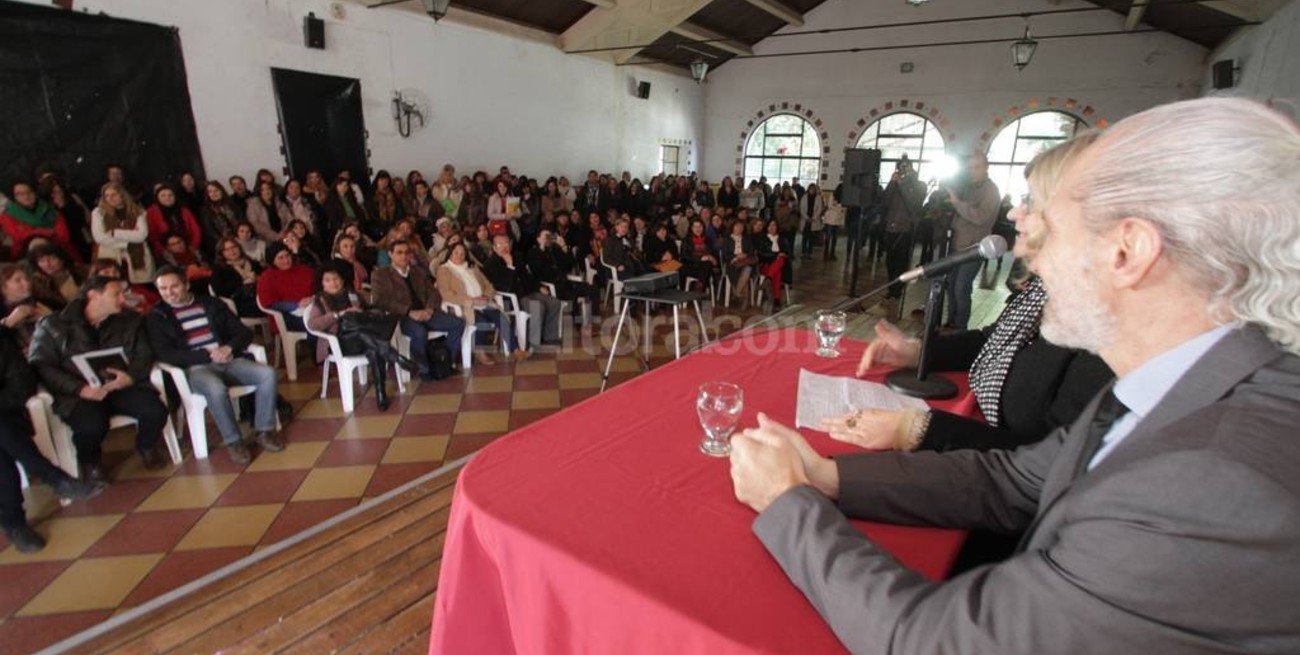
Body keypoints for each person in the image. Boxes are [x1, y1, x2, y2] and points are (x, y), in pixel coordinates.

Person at [727, 97, 1300, 654]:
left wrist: (786, 502)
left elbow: (941, 641)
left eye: (1054, 227)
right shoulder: (1169, 384)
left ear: (1128, 252)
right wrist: (827, 478)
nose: (1031, 248)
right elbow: (1014, 482)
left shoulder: (1212, 482)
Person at [28, 276, 170, 482]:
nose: (123, 298)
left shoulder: (129, 320)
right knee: (91, 425)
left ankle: (146, 445)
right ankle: (90, 462)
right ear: (93, 295)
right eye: (116, 294)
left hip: (121, 386)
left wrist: (130, 377)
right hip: (78, 393)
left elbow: (144, 354)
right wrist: (79, 388)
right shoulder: (53, 325)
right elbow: (41, 365)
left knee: (155, 410)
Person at [146, 267, 283, 465]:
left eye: (174, 286)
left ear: (186, 284)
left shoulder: (211, 304)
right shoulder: (158, 316)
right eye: (163, 289)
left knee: (268, 374)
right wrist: (204, 355)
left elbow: (243, 333)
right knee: (216, 389)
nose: (169, 293)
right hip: (196, 367)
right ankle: (234, 441)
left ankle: (264, 431)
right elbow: (165, 353)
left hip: (228, 360)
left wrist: (228, 348)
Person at [0, 328, 103, 552]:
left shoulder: (3, 343)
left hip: (7, 416)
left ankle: (16, 526)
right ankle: (53, 478)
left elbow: (22, 383)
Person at [307, 269, 420, 410]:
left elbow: (371, 310)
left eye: (336, 279)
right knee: (366, 337)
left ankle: (381, 394)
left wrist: (361, 313)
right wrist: (338, 315)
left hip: (364, 340)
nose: (333, 283)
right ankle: (396, 358)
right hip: (340, 342)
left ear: (342, 281)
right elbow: (312, 324)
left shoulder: (353, 295)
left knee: (373, 349)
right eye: (328, 280)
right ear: (323, 284)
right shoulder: (320, 300)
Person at [370, 239, 466, 379]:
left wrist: (429, 309)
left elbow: (433, 293)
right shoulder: (381, 275)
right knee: (419, 332)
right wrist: (409, 312)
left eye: (406, 252)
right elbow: (381, 301)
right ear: (390, 254)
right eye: (399, 253)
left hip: (426, 313)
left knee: (458, 323)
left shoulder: (417, 272)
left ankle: (445, 363)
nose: (403, 256)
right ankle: (424, 370)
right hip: (402, 316)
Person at [436, 242, 526, 365]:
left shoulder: (472, 267)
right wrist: (472, 300)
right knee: (482, 322)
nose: (459, 256)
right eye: (456, 253)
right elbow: (447, 294)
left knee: (501, 317)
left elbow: (488, 285)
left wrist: (486, 296)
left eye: (463, 253)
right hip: (464, 306)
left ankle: (515, 350)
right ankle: (480, 353)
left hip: (483, 302)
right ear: (450, 254)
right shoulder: (444, 270)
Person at [941, 152, 1000, 329]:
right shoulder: (967, 187)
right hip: (956, 244)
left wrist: (957, 202)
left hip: (975, 247)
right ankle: (951, 323)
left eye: (977, 167)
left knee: (961, 289)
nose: (972, 171)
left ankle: (960, 329)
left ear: (986, 167)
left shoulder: (991, 190)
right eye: (970, 167)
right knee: (951, 287)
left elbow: (981, 217)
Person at [483, 235, 561, 347]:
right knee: (537, 307)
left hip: (527, 291)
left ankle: (549, 336)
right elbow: (505, 287)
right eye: (500, 245)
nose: (504, 247)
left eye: (506, 244)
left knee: (554, 303)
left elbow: (527, 276)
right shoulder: (491, 264)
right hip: (511, 298)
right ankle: (533, 341)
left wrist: (538, 286)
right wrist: (509, 266)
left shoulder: (517, 257)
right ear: (494, 248)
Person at [880, 160, 928, 303]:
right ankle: (892, 288)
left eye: (906, 167)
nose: (903, 170)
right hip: (890, 227)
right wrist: (891, 182)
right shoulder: (895, 183)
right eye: (901, 167)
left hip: (905, 229)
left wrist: (902, 184)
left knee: (901, 262)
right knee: (890, 261)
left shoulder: (919, 185)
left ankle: (898, 290)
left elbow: (913, 202)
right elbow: (885, 200)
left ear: (912, 169)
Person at [91, 182, 155, 284]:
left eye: (113, 195)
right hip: (110, 255)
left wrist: (114, 232)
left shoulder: (138, 211)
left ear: (122, 195)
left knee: (142, 287)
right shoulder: (98, 213)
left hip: (138, 255)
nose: (110, 198)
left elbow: (141, 235)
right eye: (106, 196)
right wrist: (127, 242)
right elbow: (99, 237)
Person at [1, 181, 79, 261]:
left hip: (59, 247)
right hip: (26, 253)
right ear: (15, 197)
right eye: (20, 194)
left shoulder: (49, 208)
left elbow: (64, 236)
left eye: (29, 191)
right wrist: (46, 232)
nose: (26, 196)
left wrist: (37, 234)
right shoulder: (8, 215)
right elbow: (18, 236)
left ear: (35, 192)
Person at [255, 244, 315, 332]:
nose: (286, 260)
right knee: (315, 324)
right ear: (273, 261)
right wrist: (296, 305)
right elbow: (269, 303)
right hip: (285, 315)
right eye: (280, 258)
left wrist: (312, 299)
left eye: (287, 256)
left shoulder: (304, 270)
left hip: (311, 308)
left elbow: (319, 288)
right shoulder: (267, 277)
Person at [0, 264, 54, 352]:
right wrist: (8, 323)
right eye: (18, 280)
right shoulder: (3, 312)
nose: (27, 283)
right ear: (3, 287)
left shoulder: (45, 302)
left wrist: (51, 316)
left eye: (26, 279)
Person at [210, 238, 263, 318]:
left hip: (260, 295)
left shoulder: (252, 262)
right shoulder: (219, 269)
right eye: (227, 250)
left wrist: (257, 278)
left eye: (234, 247)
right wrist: (242, 282)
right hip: (239, 302)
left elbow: (266, 276)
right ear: (222, 253)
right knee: (266, 304)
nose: (232, 251)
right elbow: (219, 290)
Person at [146, 185, 202, 257]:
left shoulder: (184, 210)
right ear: (157, 197)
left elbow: (196, 230)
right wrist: (164, 252)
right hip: (166, 253)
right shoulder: (152, 212)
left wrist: (194, 247)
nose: (167, 198)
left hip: (190, 248)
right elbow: (153, 236)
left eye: (170, 195)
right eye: (163, 195)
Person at [26, 243, 83, 310]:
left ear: (62, 259)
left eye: (52, 259)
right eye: (42, 261)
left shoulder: (80, 272)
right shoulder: (38, 283)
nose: (47, 264)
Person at [752, 219, 789, 308]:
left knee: (780, 260)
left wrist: (782, 255)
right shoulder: (762, 238)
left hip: (781, 265)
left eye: (774, 225)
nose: (772, 228)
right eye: (770, 226)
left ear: (777, 227)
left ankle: (768, 279)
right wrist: (775, 256)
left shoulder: (782, 239)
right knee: (777, 270)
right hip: (766, 264)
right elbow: (761, 254)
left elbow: (788, 253)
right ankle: (777, 298)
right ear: (767, 228)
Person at [199, 181, 242, 260]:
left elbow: (241, 221)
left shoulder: (232, 204)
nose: (213, 193)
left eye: (216, 190)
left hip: (240, 238)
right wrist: (225, 242)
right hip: (221, 244)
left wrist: (239, 236)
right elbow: (210, 231)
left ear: (221, 191)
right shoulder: (206, 210)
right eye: (210, 192)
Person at [798, 182, 825, 259]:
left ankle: (809, 253)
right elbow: (802, 208)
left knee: (811, 238)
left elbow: (819, 209)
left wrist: (813, 218)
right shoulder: (804, 197)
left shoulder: (818, 198)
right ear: (808, 189)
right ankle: (803, 252)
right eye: (811, 189)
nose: (812, 190)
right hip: (805, 220)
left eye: (813, 189)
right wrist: (807, 218)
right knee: (804, 237)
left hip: (814, 220)